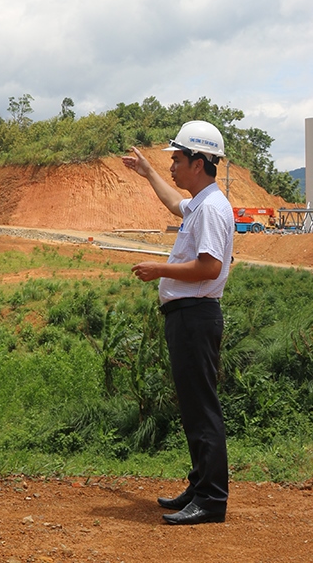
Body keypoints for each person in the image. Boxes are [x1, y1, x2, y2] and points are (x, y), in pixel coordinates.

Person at [122, 120, 234, 526]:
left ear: (199, 162)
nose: (171, 164)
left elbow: (209, 267)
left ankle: (211, 499)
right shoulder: (202, 204)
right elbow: (173, 204)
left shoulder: (212, 209)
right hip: (188, 317)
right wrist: (147, 171)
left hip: (195, 317)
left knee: (201, 407)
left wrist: (160, 268)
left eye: (177, 158)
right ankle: (200, 484)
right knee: (193, 405)